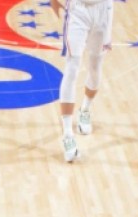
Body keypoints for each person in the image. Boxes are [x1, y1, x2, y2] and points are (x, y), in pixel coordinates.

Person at [52, 0, 114, 163]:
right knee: (72, 67)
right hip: (77, 9)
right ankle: (67, 135)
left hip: (103, 9)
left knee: (95, 66)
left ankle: (85, 109)